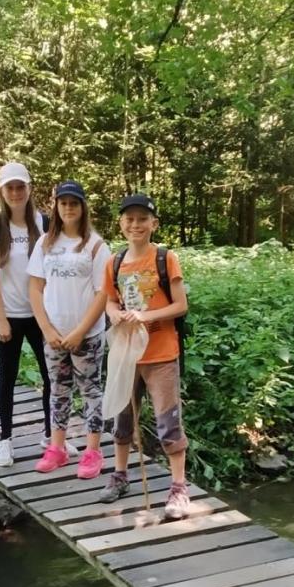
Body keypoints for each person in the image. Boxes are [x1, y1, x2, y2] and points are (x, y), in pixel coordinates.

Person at [99, 194, 191, 519]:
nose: (135, 224)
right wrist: (114, 315)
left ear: (154, 223)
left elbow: (180, 305)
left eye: (142, 219)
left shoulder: (166, 258)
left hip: (161, 353)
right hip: (127, 354)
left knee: (168, 421)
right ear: (121, 223)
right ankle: (120, 475)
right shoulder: (114, 262)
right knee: (122, 419)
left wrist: (146, 317)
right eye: (129, 219)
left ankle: (179, 488)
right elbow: (110, 301)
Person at [27, 181, 111, 479]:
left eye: (74, 203)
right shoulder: (45, 244)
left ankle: (92, 451)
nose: (68, 208)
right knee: (58, 391)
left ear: (83, 206)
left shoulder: (96, 245)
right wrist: (46, 327)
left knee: (91, 391)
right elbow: (35, 288)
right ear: (56, 207)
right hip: (54, 333)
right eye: (63, 203)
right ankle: (57, 447)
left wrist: (80, 331)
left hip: (86, 334)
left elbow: (104, 293)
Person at [0, 161, 53, 467]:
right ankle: (5, 441)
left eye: (21, 186)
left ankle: (52, 437)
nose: (16, 192)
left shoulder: (45, 223)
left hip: (42, 315)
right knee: (6, 377)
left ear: (29, 188)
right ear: (1, 190)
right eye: (10, 187)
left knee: (52, 376)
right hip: (9, 314)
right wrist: (2, 318)